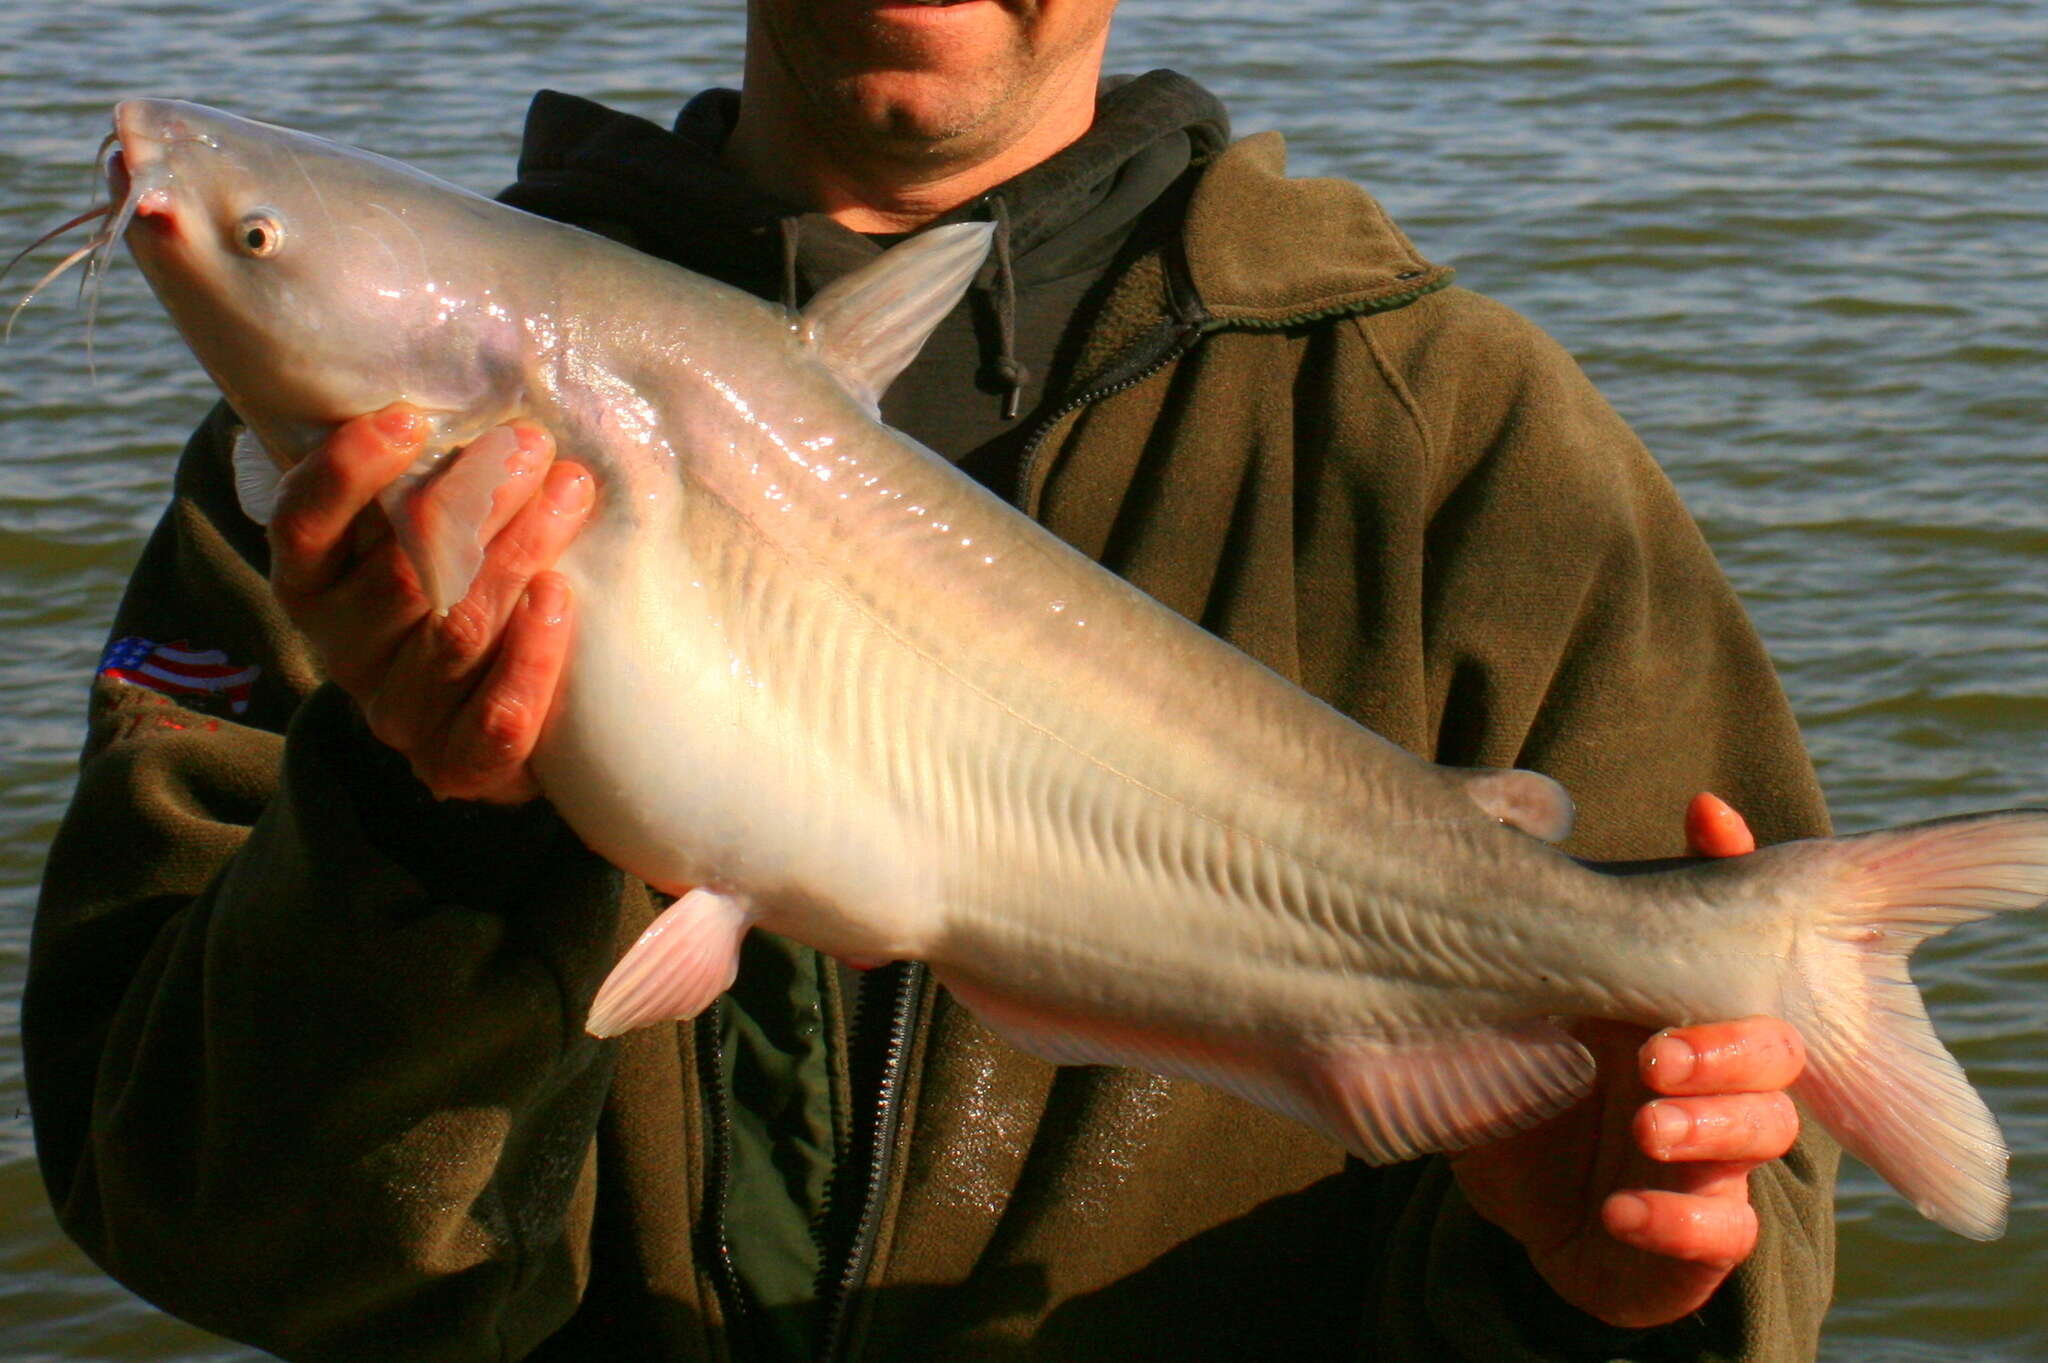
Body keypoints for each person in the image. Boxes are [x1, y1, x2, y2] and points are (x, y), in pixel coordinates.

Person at [26, 2, 1839, 1360]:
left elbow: (1746, 1236)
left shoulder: (1448, 443)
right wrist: (423, 833)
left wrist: (1600, 1298)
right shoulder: (327, 503)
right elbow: (207, 1225)